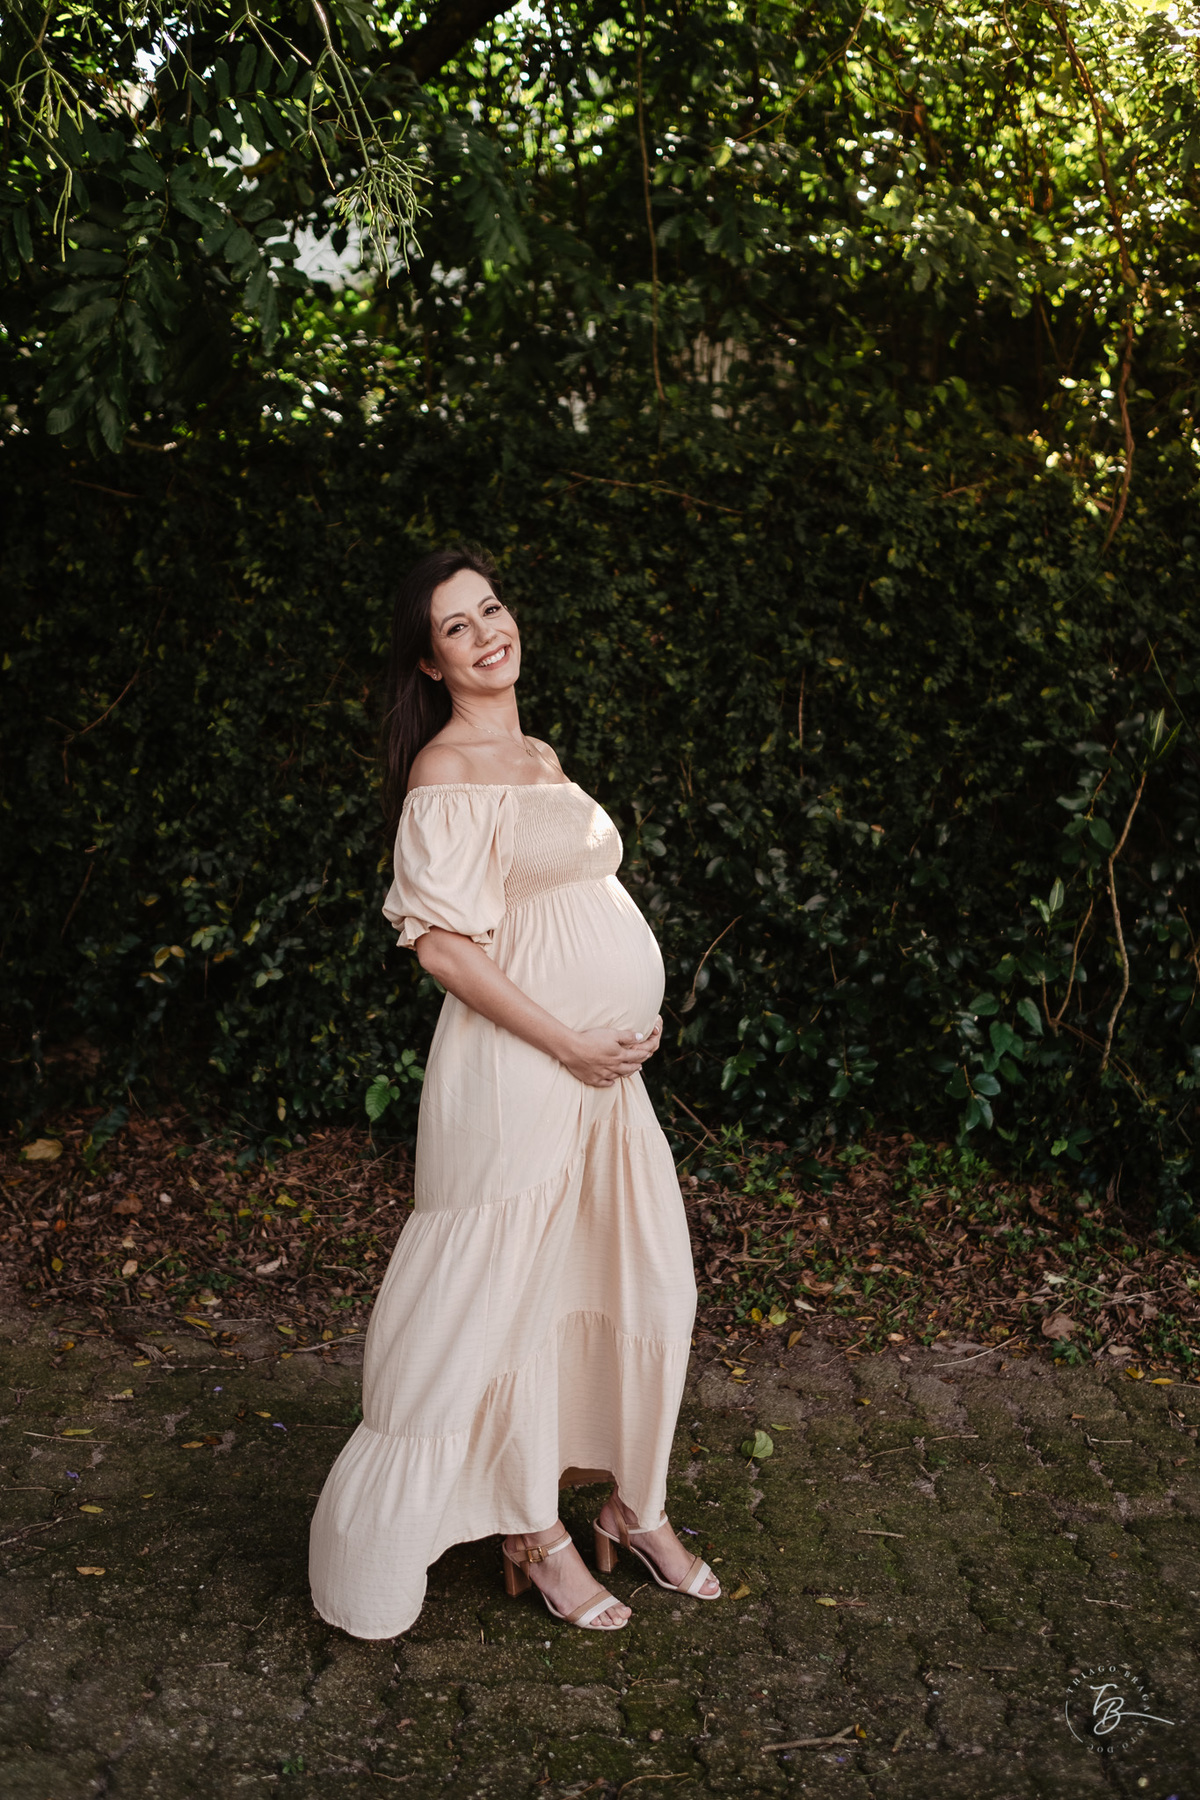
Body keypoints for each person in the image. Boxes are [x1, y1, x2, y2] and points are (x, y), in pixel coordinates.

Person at [308, 545, 718, 1637]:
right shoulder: (443, 772)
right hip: (520, 1073)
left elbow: (577, 902)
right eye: (457, 626)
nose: (489, 631)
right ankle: (530, 1533)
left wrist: (631, 1012)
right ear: (432, 663)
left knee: (647, 1284)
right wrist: (573, 1039)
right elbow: (444, 949)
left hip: (599, 1073)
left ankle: (634, 1507)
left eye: (491, 608)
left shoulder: (538, 752)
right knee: (508, 1311)